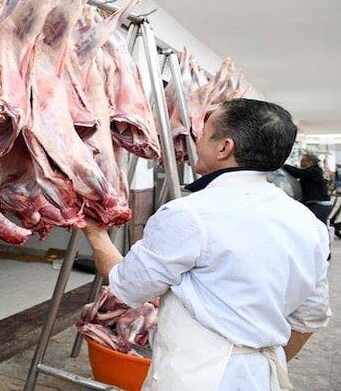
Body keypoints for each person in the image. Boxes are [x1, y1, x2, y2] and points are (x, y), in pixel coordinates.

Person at [84, 99, 331, 390]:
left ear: (224, 147)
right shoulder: (308, 223)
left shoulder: (189, 214)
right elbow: (309, 318)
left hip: (198, 378)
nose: (196, 141)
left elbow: (129, 287)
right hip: (263, 378)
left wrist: (95, 234)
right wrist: (251, 365)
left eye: (202, 133)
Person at [283, 154, 333, 224]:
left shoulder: (315, 171)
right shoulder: (312, 170)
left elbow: (297, 173)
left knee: (311, 224)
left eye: (303, 161)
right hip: (318, 204)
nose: (300, 163)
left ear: (310, 162)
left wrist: (283, 165)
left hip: (318, 204)